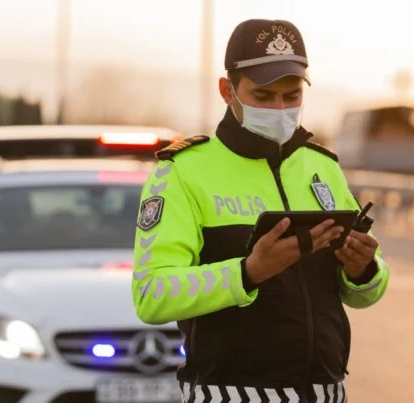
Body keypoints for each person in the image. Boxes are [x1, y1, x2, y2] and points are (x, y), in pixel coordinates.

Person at [132, 18, 390, 403]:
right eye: (263, 96)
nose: (280, 108)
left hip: (326, 394)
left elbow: (366, 291)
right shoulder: (182, 172)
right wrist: (247, 273)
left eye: (291, 96)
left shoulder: (322, 167)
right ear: (227, 90)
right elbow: (152, 296)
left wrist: (363, 269)